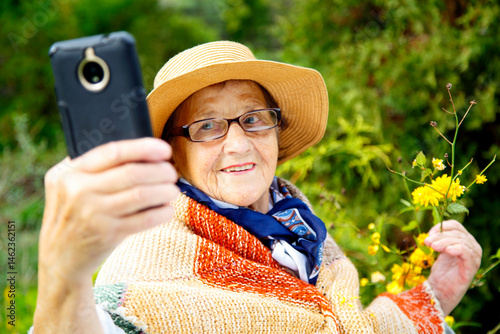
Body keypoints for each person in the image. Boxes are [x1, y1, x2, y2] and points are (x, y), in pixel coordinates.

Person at [33, 41, 481, 334]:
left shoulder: (306, 235)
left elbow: (349, 327)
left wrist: (435, 295)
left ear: (275, 130)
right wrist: (60, 272)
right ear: (174, 154)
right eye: (207, 126)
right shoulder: (146, 263)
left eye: (252, 118)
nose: (238, 142)